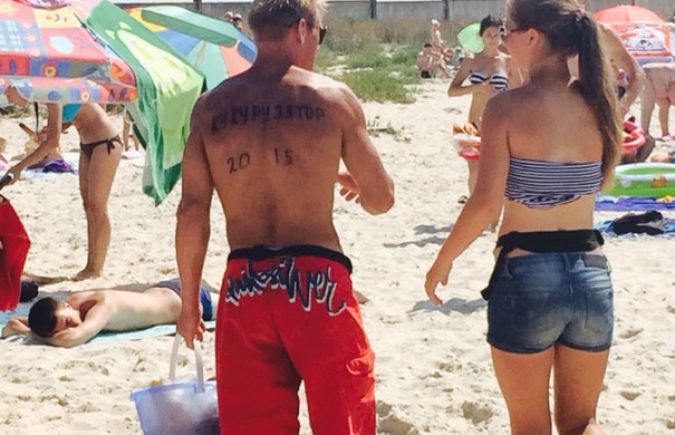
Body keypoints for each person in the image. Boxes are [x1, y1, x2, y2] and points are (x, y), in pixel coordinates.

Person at [175, 0, 394, 432]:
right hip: (317, 284)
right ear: (301, 30)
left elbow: (192, 210)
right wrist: (360, 187)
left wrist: (188, 302)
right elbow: (382, 199)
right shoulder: (333, 99)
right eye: (320, 35)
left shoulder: (210, 108)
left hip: (245, 285)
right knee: (343, 419)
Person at [426, 1, 619, 434]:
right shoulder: (599, 104)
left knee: (529, 426)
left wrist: (443, 260)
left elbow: (485, 204)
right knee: (583, 423)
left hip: (527, 271)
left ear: (533, 37)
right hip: (591, 271)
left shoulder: (507, 107)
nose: (503, 37)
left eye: (509, 29)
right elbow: (633, 77)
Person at [2, 88, 123, 281]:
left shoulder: (51, 93)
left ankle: (95, 268)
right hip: (88, 143)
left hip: (106, 142)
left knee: (97, 207)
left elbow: (53, 143)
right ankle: (90, 265)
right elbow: (73, 115)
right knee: (88, 206)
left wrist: (19, 167)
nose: (8, 98)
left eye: (9, 92)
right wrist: (51, 129)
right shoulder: (45, 96)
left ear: (19, 88)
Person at [448, 15, 521, 223]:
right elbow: (452, 91)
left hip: (500, 122)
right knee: (474, 170)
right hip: (474, 122)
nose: (493, 38)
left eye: (497, 34)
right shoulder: (472, 61)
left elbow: (519, 92)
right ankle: (477, 213)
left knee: (499, 171)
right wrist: (477, 87)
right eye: (489, 34)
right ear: (481, 36)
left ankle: (494, 216)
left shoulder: (508, 62)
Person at [1, 279, 218, 348]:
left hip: (192, 300)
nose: (73, 326)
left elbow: (71, 340)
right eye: (63, 329)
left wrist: (31, 334)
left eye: (68, 322)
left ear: (65, 306)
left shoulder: (102, 307)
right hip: (166, 292)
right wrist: (27, 326)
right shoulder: (73, 304)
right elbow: (18, 322)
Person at [569, 0, 644, 117]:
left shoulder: (602, 35)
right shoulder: (546, 38)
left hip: (597, 118)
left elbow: (638, 75)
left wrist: (619, 110)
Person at [640, 62, 675, 139]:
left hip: (661, 83)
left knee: (665, 105)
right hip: (648, 76)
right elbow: (672, 93)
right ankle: (644, 132)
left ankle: (665, 133)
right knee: (648, 106)